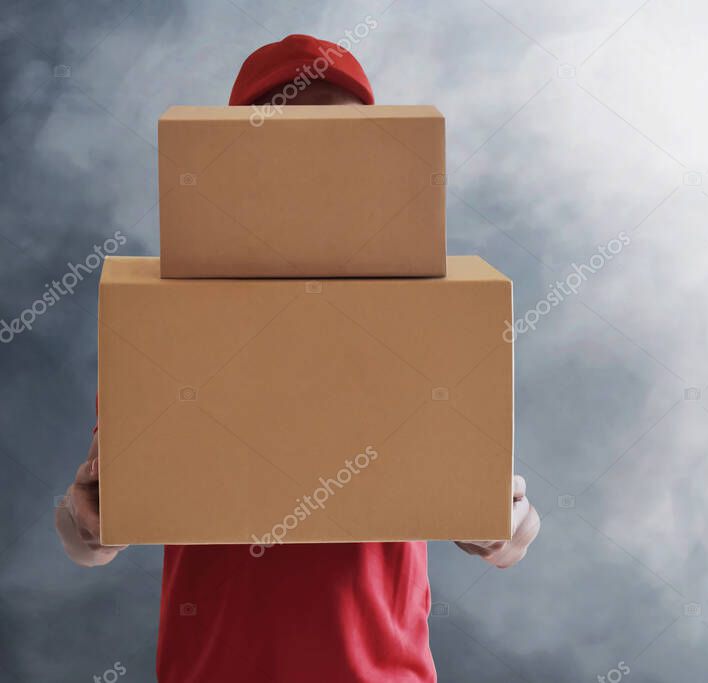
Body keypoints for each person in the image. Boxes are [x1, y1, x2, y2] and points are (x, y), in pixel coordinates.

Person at [54, 34, 540, 683]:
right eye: (290, 138)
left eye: (339, 145)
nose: (317, 172)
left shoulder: (430, 317)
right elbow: (85, 532)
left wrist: (503, 522)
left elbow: (512, 532)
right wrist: (85, 522)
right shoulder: (161, 327)